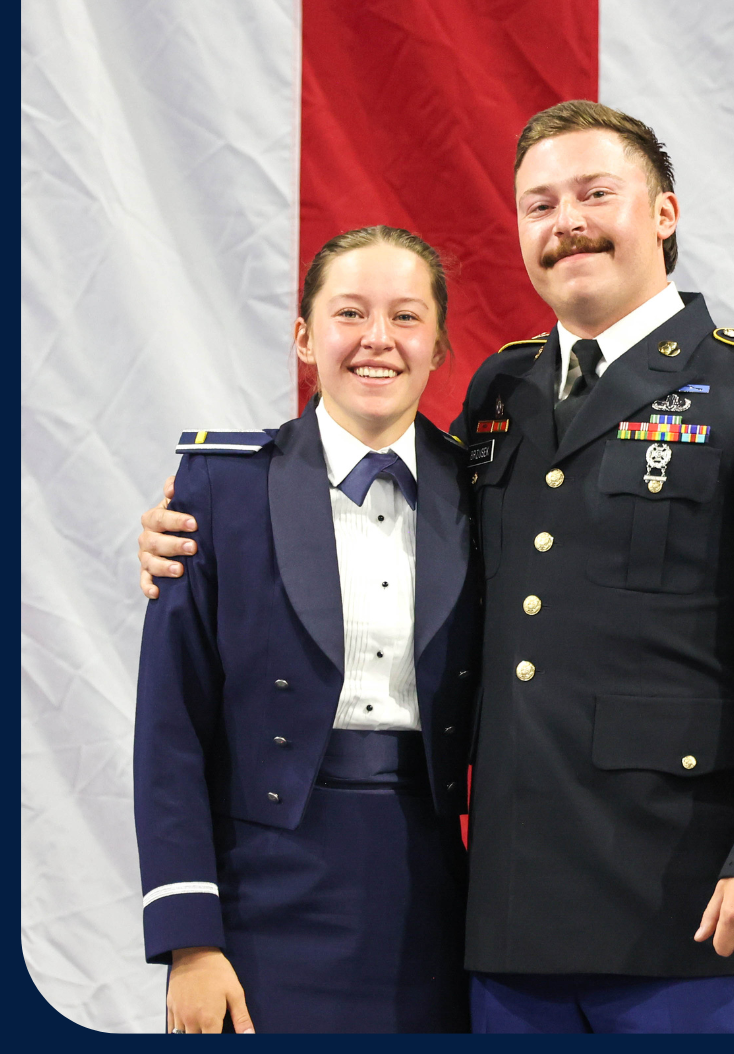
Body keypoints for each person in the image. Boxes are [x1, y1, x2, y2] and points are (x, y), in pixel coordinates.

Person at [139, 102, 734, 1034]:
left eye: (595, 193)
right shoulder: (505, 392)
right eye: (539, 203)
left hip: (694, 914)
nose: (565, 219)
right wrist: (187, 533)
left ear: (665, 213)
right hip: (506, 930)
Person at [133, 226, 478, 1034]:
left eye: (406, 317)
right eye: (349, 314)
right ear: (304, 337)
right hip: (261, 897)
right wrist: (189, 941)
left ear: (438, 345)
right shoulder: (219, 489)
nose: (377, 341)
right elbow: (170, 727)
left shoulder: (488, 492)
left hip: (433, 894)